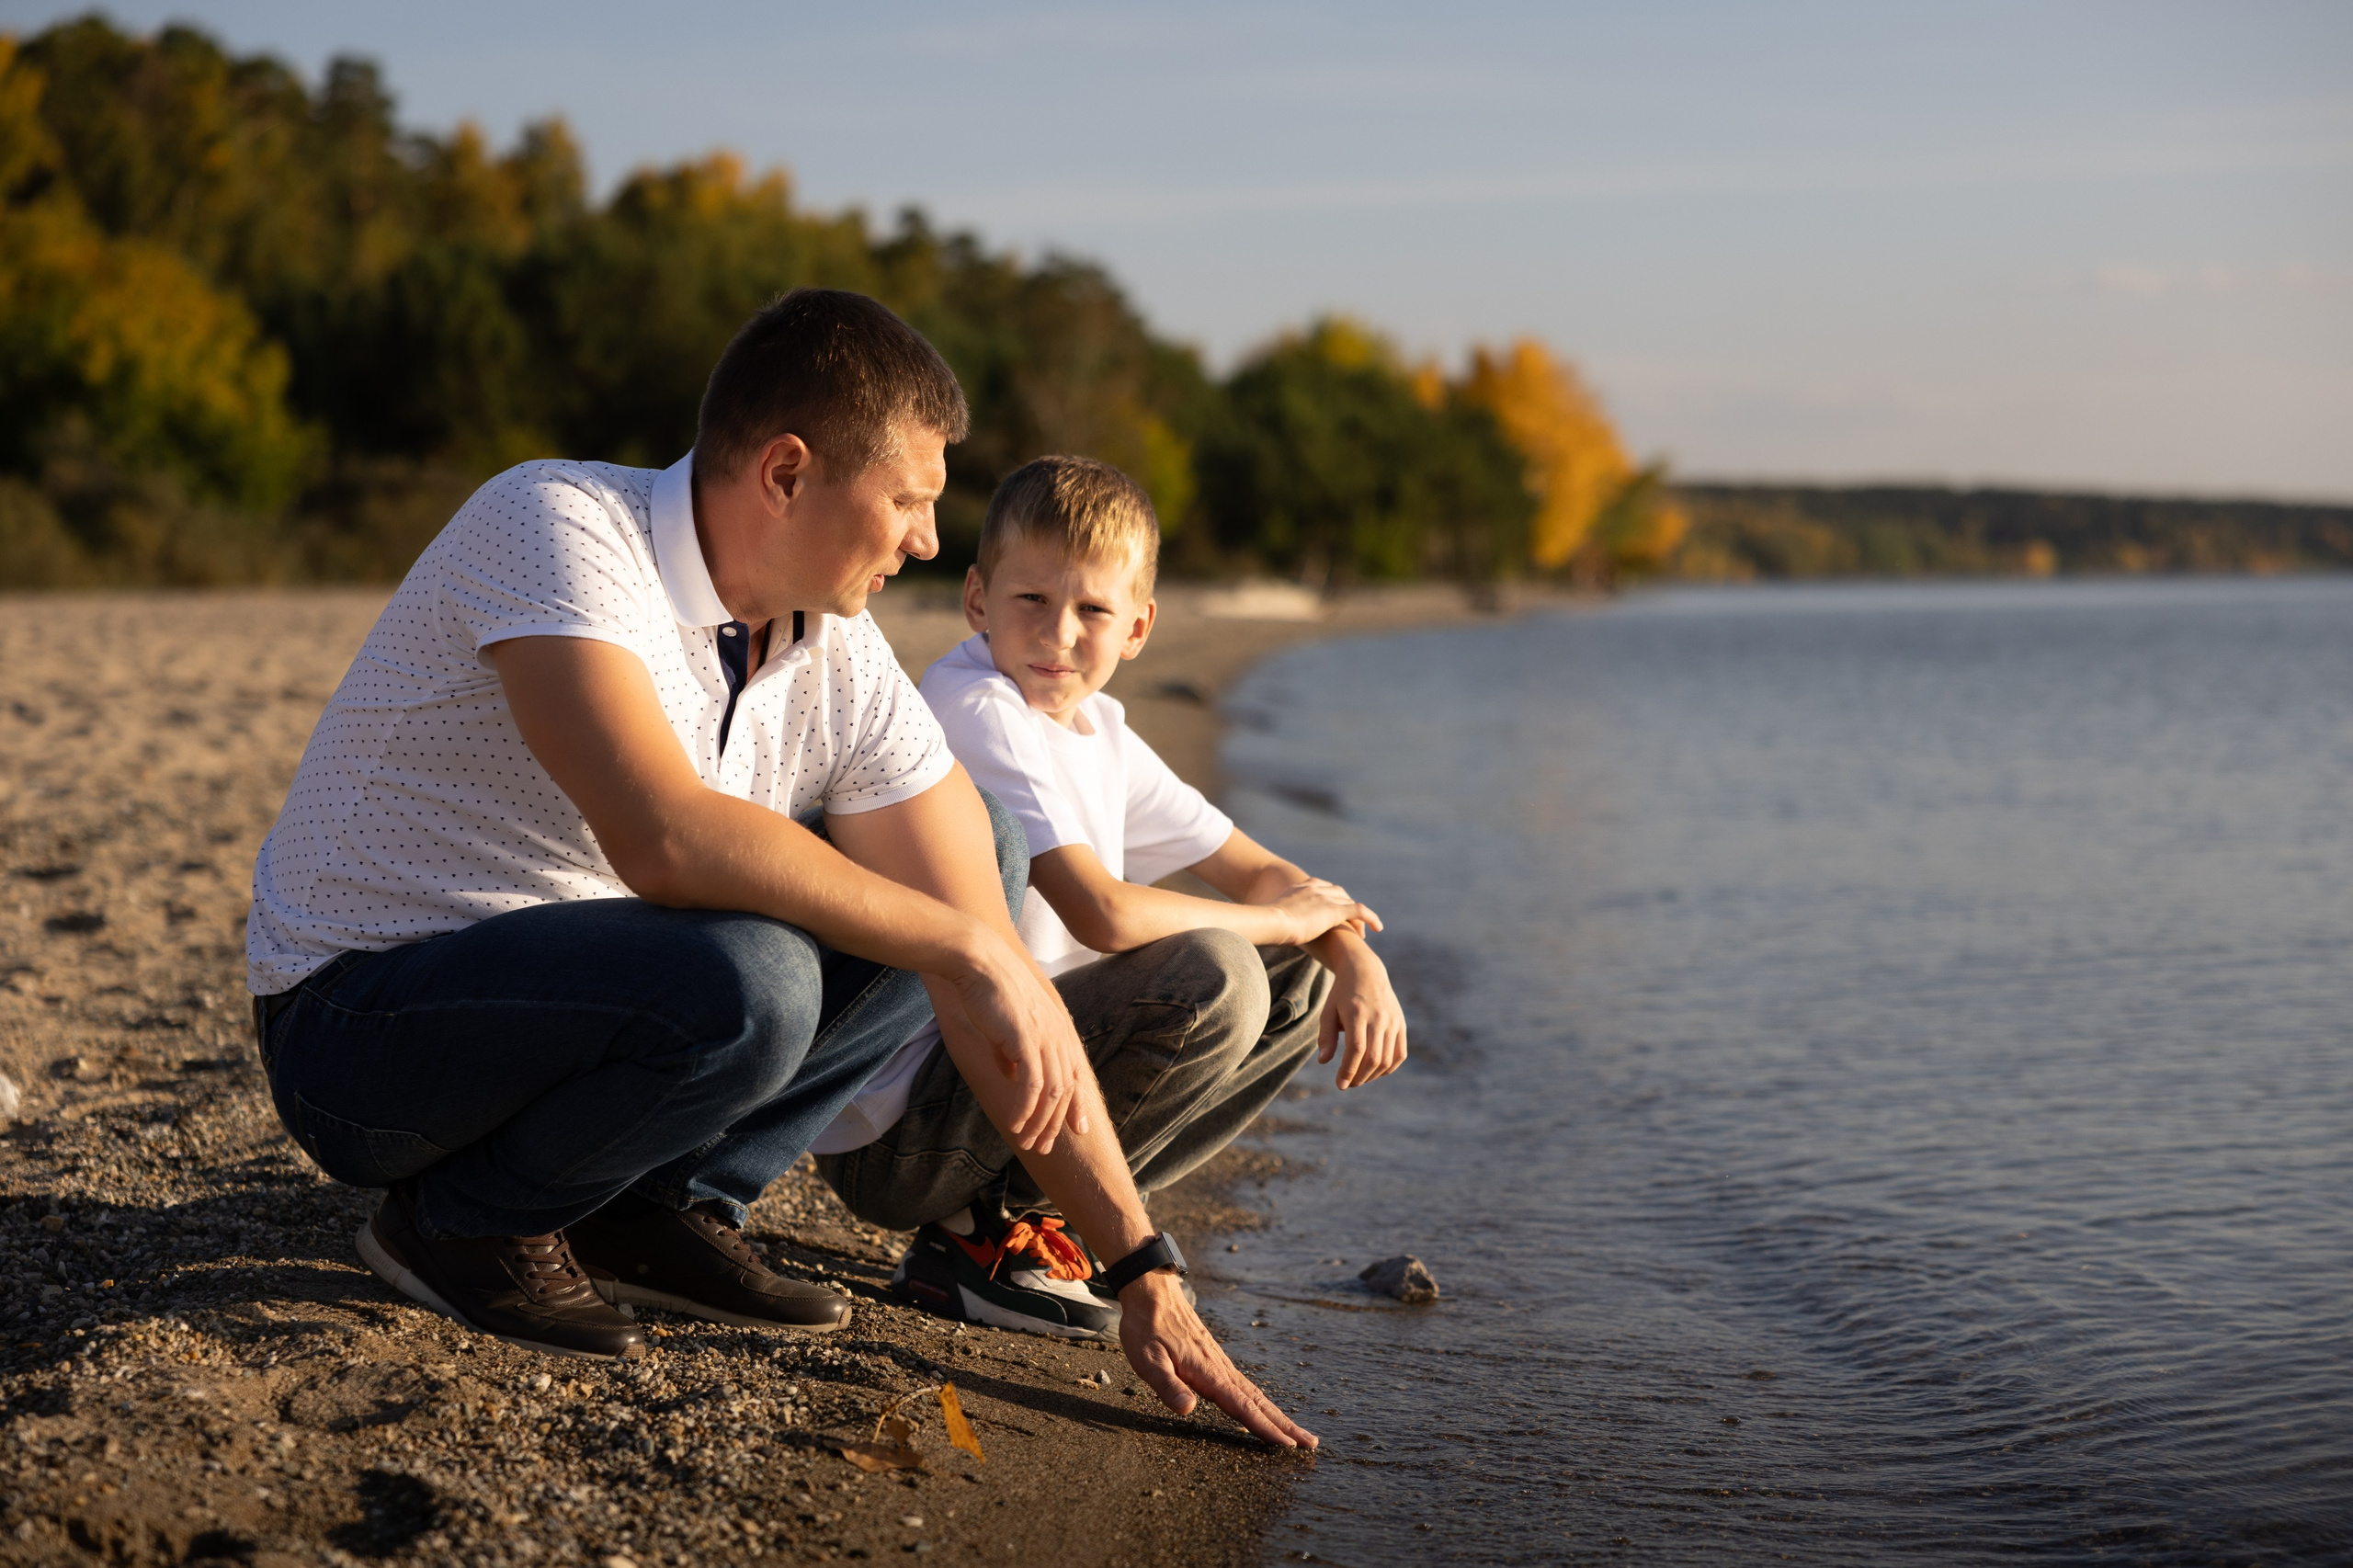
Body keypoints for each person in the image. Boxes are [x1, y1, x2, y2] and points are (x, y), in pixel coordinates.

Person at [244, 290, 1314, 1449]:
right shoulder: (556, 525)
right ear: (788, 472)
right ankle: (461, 1223)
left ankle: (652, 1205)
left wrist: (1140, 1263)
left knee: (983, 862)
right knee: (764, 974)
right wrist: (959, 942)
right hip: (359, 1032)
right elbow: (660, 832)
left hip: (577, 1023)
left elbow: (978, 929)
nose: (925, 541)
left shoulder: (831, 648)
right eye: (908, 499)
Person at [815, 455, 1408, 1338]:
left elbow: (1260, 870)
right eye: (1031, 601)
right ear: (977, 599)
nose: (1058, 634)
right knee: (1220, 971)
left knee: (1301, 973)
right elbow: (1103, 911)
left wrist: (1351, 953)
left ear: (1138, 627)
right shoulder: (975, 705)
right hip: (903, 1130)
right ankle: (978, 1237)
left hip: (1015, 1092)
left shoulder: (1100, 729)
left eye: (1092, 610)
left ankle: (1038, 1217)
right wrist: (1288, 919)